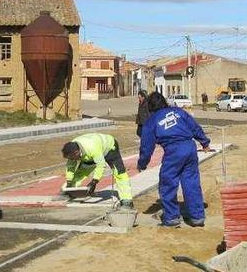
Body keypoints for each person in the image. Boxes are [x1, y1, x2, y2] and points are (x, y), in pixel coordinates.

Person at [137, 92, 210, 228]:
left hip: (174, 151)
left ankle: (171, 217)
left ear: (150, 107)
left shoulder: (151, 122)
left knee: (168, 182)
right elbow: (194, 127)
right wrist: (204, 142)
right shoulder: (178, 112)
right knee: (191, 182)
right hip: (190, 148)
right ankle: (197, 217)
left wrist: (142, 164)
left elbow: (146, 147)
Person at [61, 133, 134, 208]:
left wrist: (94, 182)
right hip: (89, 153)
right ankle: (70, 191)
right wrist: (69, 182)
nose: (72, 160)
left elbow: (101, 165)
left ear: (76, 153)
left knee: (119, 173)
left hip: (109, 148)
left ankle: (126, 200)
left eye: (72, 158)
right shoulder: (71, 148)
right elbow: (71, 166)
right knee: (81, 172)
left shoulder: (92, 148)